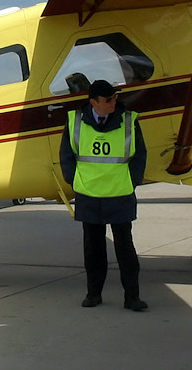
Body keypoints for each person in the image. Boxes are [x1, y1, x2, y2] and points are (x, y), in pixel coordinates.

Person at [59, 79, 149, 311]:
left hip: (119, 194)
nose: (113, 103)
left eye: (114, 98)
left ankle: (132, 298)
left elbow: (139, 154)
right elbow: (67, 155)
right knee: (93, 249)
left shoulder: (128, 121)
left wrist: (132, 181)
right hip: (89, 195)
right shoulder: (75, 122)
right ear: (93, 102)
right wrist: (75, 181)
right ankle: (93, 294)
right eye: (108, 99)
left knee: (125, 249)